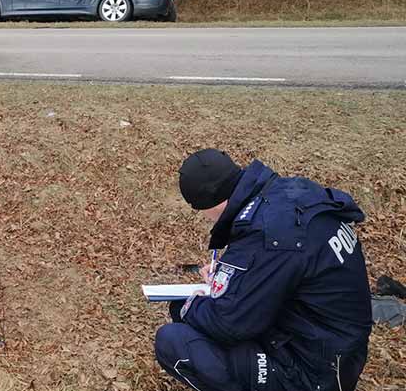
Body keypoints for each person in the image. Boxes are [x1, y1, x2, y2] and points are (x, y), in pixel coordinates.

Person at [155, 149, 372, 391]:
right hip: (335, 347)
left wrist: (188, 306)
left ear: (209, 203)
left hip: (313, 372)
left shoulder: (269, 236)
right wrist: (229, 280)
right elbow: (277, 275)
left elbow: (228, 324)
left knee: (174, 340)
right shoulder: (285, 196)